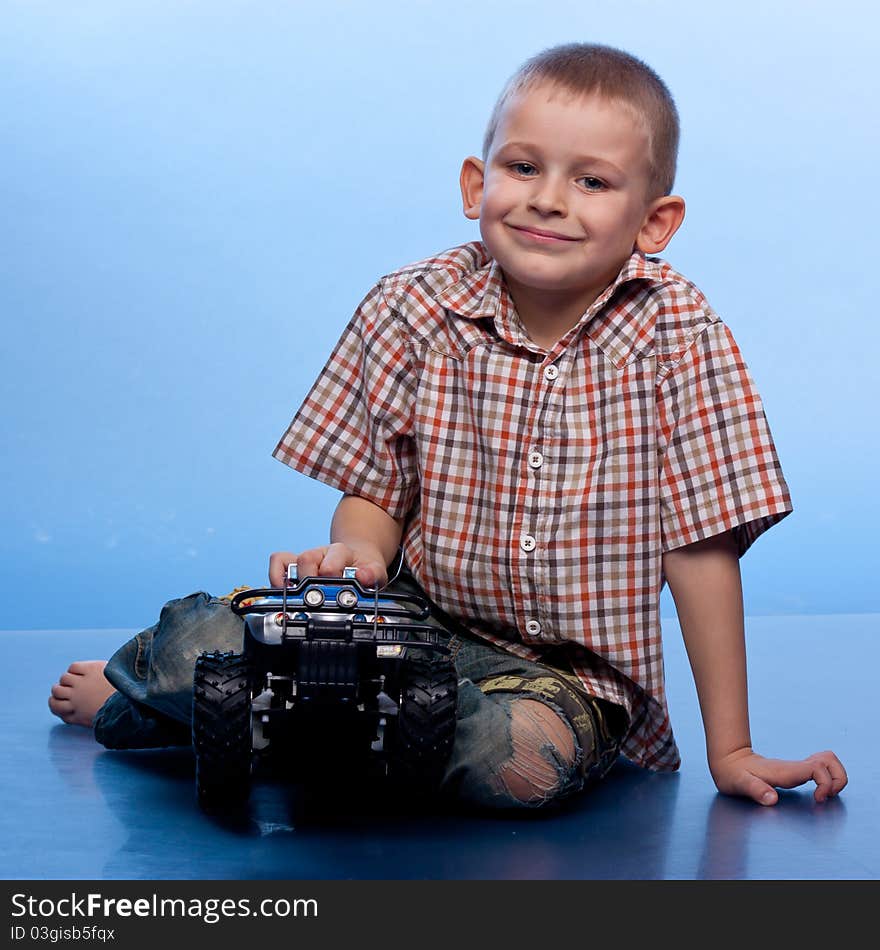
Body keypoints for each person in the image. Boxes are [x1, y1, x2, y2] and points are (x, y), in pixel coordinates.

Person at [49, 42, 847, 810]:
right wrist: (358, 556)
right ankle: (240, 708)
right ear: (476, 183)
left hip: (566, 684)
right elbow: (375, 493)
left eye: (593, 181)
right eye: (523, 166)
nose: (549, 198)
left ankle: (227, 727)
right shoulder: (412, 305)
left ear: (655, 221)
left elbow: (700, 547)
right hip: (405, 641)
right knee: (200, 644)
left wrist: (730, 748)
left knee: (521, 761)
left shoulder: (682, 337)